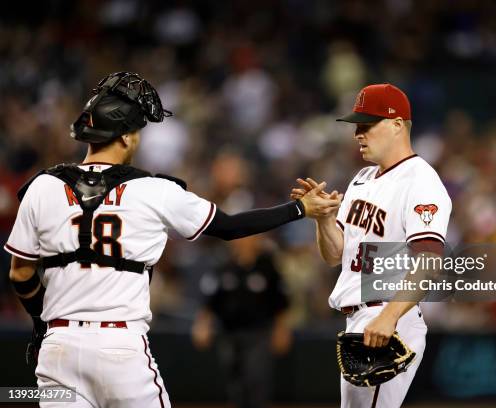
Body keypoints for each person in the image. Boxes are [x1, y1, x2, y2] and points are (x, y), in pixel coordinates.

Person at [4, 71, 340, 408]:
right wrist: (299, 208)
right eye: (136, 132)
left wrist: (40, 323)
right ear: (124, 138)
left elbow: (20, 274)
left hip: (58, 346)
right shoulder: (154, 190)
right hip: (119, 346)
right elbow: (229, 227)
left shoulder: (42, 187)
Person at [291, 84, 452, 407]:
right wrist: (323, 219)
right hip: (362, 318)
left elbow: (429, 264)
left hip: (388, 315)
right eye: (357, 126)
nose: (358, 134)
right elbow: (334, 255)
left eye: (367, 125)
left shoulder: (421, 181)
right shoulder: (362, 178)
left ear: (396, 125)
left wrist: (389, 317)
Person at [191, 234, 291, 408]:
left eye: (249, 237)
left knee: (256, 377)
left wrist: (281, 330)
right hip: (228, 332)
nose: (243, 241)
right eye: (240, 237)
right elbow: (209, 300)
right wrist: (202, 325)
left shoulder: (267, 266)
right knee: (233, 379)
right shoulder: (223, 265)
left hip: (258, 333)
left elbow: (281, 302)